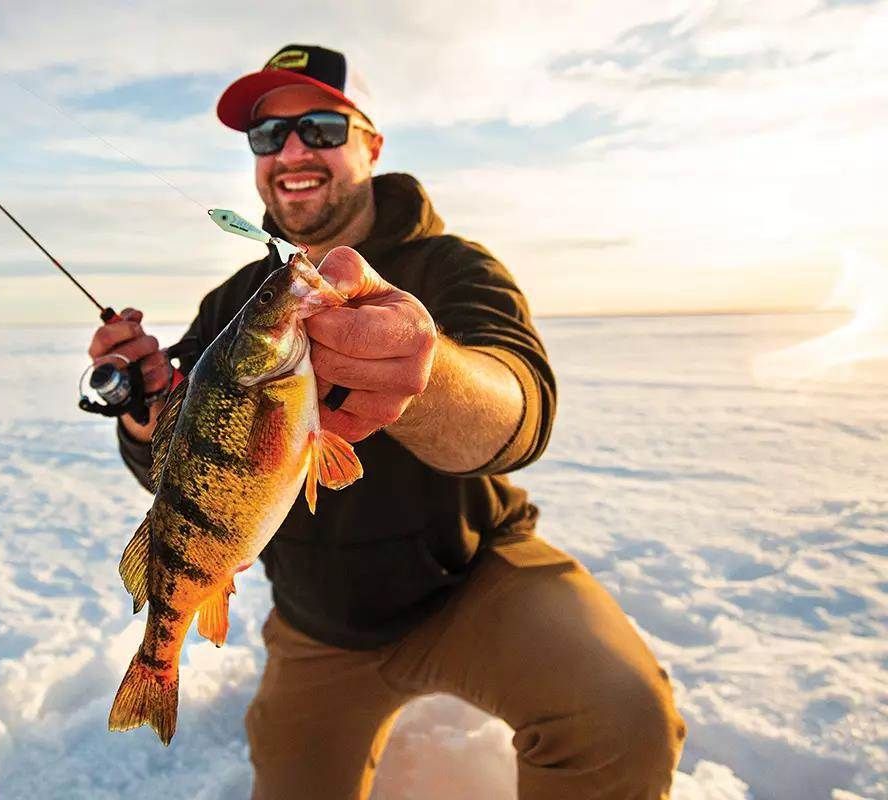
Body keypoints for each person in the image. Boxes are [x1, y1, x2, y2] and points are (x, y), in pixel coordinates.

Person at [89, 44, 686, 800]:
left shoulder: (452, 267)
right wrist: (146, 411)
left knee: (619, 720)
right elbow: (190, 483)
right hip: (318, 621)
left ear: (370, 144)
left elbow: (520, 410)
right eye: (268, 136)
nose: (292, 152)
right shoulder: (239, 302)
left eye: (319, 127)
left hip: (470, 578)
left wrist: (426, 374)